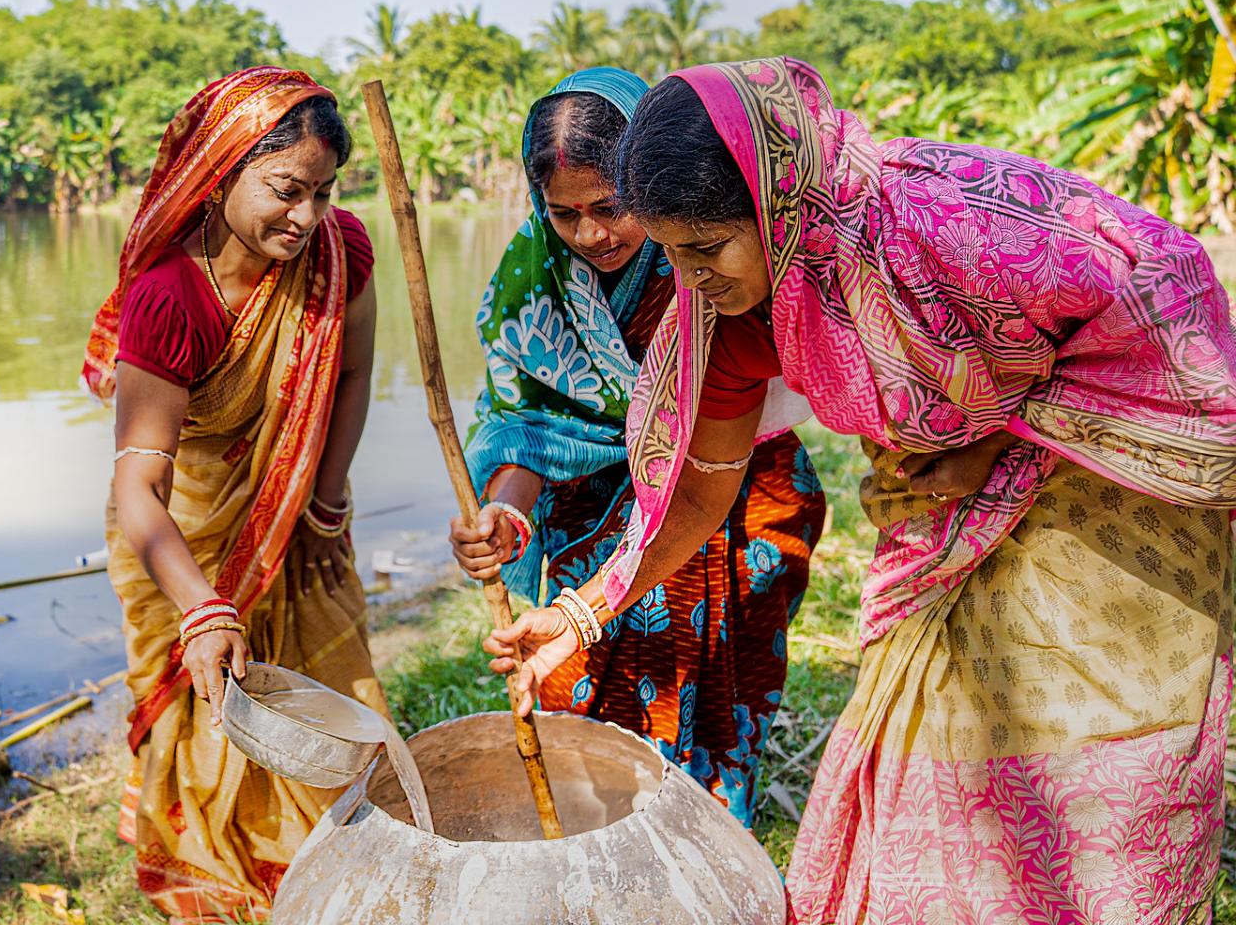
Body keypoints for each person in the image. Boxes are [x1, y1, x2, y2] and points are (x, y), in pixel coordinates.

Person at [487, 56, 1236, 920]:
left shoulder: (944, 223)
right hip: (947, 500)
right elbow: (699, 494)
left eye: (705, 250)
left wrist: (999, 440)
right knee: (940, 750)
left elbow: (1162, 282)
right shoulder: (729, 319)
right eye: (671, 254)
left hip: (1105, 485)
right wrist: (583, 609)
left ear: (777, 200)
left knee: (1095, 754)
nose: (688, 281)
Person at [448, 67, 825, 827]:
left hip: (734, 488)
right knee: (573, 679)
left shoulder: (710, 259)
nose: (592, 235)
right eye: (565, 213)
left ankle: (705, 830)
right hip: (596, 519)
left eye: (611, 208)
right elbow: (532, 424)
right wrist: (506, 512)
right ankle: (598, 834)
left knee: (718, 675)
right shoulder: (533, 279)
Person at [83, 65, 381, 923]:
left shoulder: (340, 254)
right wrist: (201, 606)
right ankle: (206, 850)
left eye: (324, 193)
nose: (307, 218)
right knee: (200, 700)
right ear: (221, 173)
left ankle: (320, 850)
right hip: (179, 534)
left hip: (300, 511)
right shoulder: (169, 299)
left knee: (321, 680)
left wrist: (325, 503)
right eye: (287, 190)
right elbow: (140, 480)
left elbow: (356, 373)